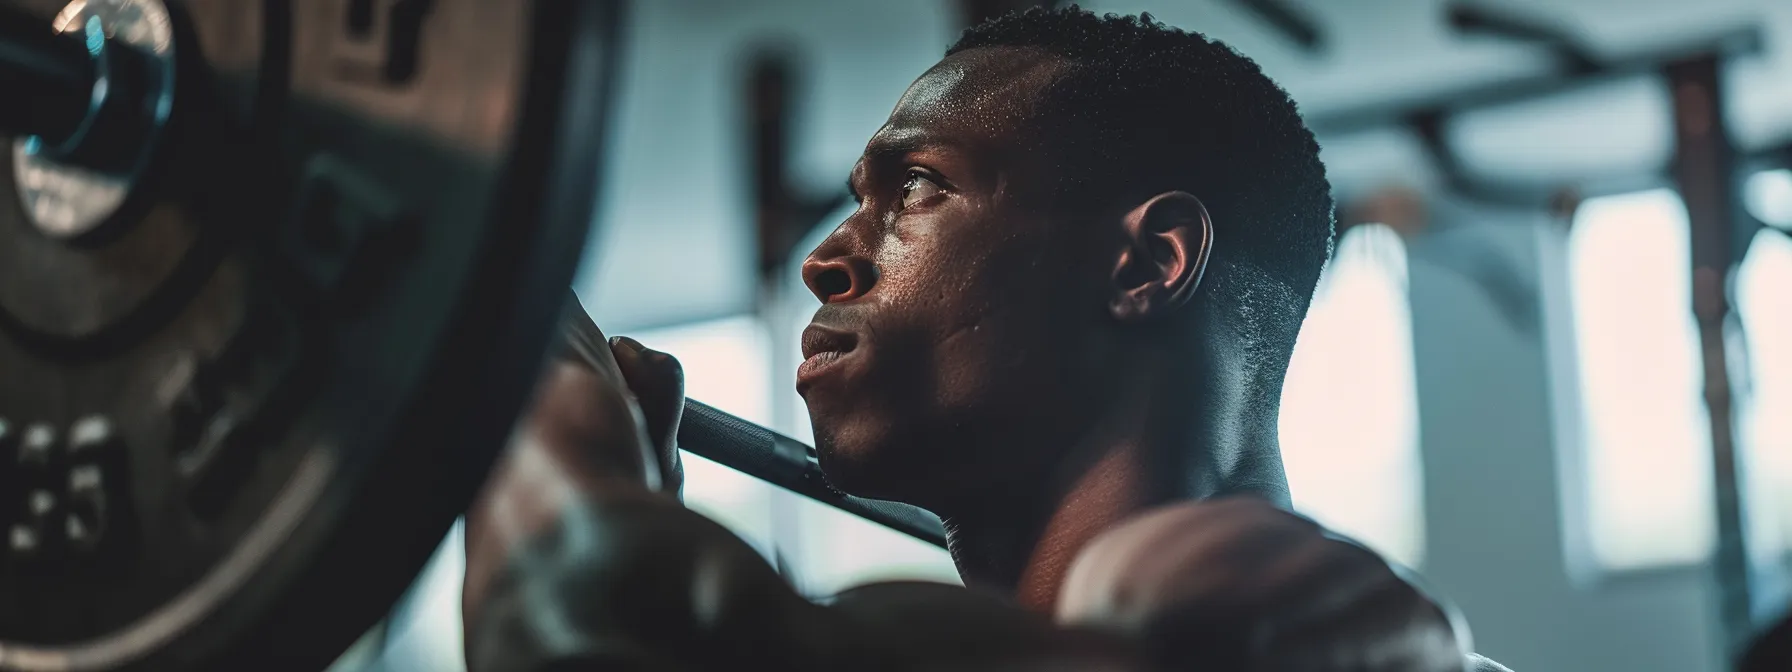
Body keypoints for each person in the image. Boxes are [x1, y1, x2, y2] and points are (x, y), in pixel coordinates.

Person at [461, 7, 1512, 671]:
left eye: (915, 187)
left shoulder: (1243, 604)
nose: (825, 261)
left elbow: (595, 634)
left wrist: (512, 359)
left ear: (1147, 264)